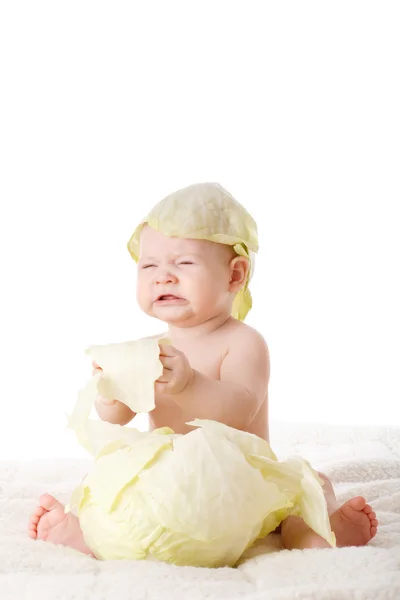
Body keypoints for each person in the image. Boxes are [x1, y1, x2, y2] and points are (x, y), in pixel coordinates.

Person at [28, 183, 378, 556]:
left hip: (238, 477)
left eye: (183, 263)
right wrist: (109, 389)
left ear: (235, 276)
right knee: (102, 482)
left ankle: (312, 536)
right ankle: (85, 536)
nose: (163, 276)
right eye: (149, 265)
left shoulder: (243, 342)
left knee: (310, 485)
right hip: (169, 481)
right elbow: (117, 416)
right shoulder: (151, 348)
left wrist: (190, 384)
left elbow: (240, 409)